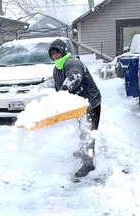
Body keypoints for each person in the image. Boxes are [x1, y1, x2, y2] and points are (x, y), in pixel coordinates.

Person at [48, 39, 102, 178]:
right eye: (52, 54)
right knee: (83, 129)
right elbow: (58, 87)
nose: (55, 56)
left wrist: (64, 90)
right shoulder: (57, 68)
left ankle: (88, 163)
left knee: (89, 132)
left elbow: (74, 76)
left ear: (63, 51)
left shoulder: (72, 62)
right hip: (79, 104)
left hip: (91, 101)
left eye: (57, 52)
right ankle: (83, 149)